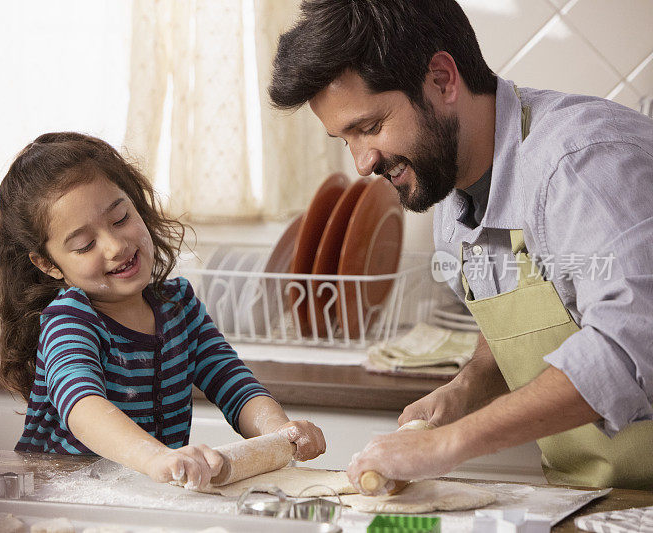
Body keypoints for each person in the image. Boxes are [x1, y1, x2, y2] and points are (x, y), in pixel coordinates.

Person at [269, 0, 653, 491]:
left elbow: (628, 348)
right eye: (345, 139)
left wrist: (447, 445)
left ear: (443, 79)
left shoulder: (583, 164)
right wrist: (463, 391)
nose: (362, 162)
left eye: (369, 127)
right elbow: (532, 318)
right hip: (594, 500)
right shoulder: (449, 192)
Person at [0, 132, 326, 490]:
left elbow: (234, 384)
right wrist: (156, 457)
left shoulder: (179, 308)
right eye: (85, 244)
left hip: (140, 494)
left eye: (121, 218)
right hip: (61, 499)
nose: (116, 245)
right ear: (48, 264)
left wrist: (279, 432)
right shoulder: (69, 321)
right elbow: (83, 406)